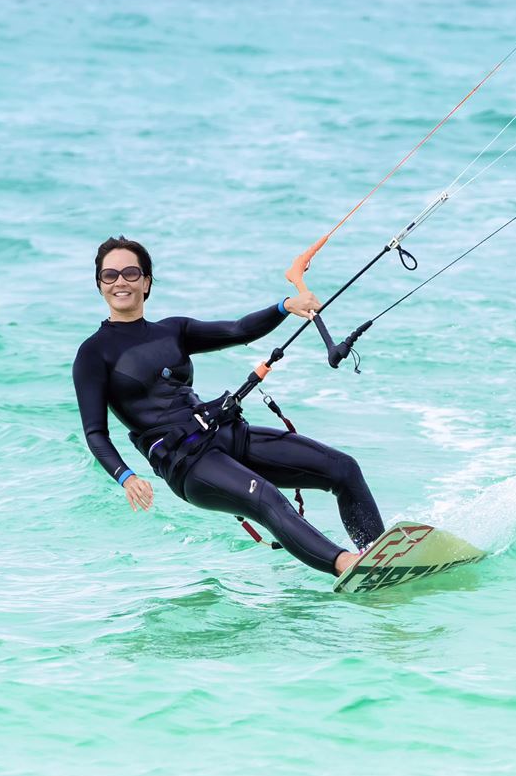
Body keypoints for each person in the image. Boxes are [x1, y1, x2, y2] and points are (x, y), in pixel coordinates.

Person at [71, 236, 384, 576]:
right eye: (110, 275)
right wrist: (126, 477)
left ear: (146, 282)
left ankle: (379, 556)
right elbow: (95, 433)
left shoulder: (173, 330)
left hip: (224, 434)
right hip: (187, 464)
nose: (120, 281)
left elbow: (238, 330)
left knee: (343, 468)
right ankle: (347, 566)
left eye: (131, 273)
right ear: (99, 285)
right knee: (265, 498)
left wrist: (284, 307)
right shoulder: (94, 353)